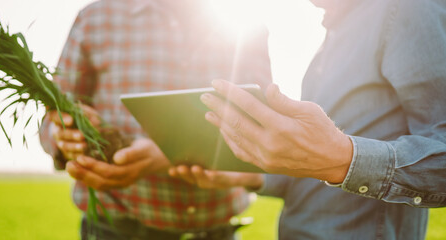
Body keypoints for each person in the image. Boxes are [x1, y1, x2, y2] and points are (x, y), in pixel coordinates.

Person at [170, 0, 446, 239]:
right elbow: (315, 171)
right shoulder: (334, 35)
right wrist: (253, 176)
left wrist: (343, 157)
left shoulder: (409, 9)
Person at [39, 0, 272, 239]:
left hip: (217, 231)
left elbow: (264, 128)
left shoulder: (245, 25)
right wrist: (67, 138)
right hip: (115, 230)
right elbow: (52, 119)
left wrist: (168, 154)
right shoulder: (96, 18)